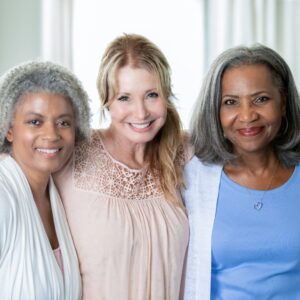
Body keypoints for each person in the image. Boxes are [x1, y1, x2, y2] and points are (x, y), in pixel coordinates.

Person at [54, 33, 189, 300]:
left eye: (152, 95)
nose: (141, 113)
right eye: (124, 98)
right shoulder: (72, 152)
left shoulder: (183, 152)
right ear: (106, 100)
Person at [182, 44, 300, 300]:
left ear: (283, 104)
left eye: (261, 99)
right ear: (216, 112)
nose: (247, 115)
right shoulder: (191, 179)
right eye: (231, 102)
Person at [0, 61, 91, 299]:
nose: (51, 135)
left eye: (63, 122)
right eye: (35, 122)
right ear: (8, 129)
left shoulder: (56, 192)